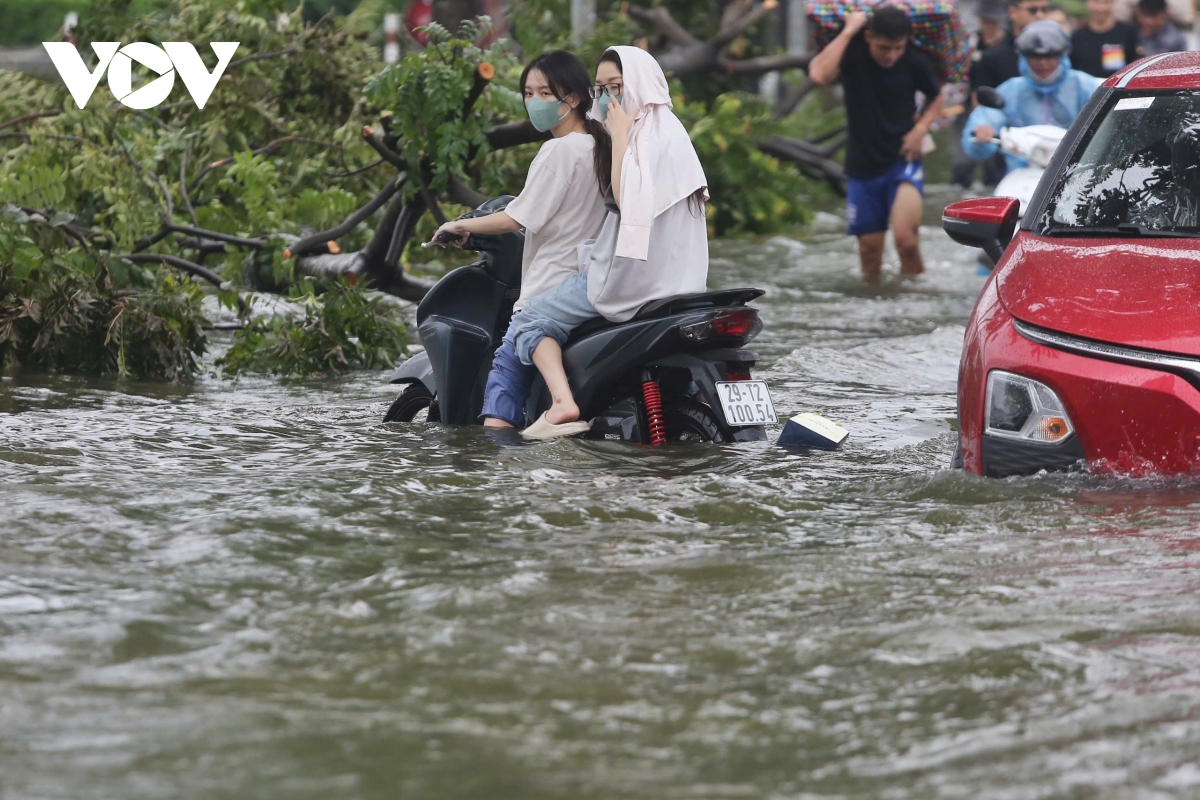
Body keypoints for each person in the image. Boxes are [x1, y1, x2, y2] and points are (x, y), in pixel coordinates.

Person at [495, 45, 710, 437]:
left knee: (529, 320)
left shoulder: (639, 135)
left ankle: (561, 403)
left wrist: (622, 135)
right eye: (602, 88)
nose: (609, 97)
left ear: (641, 87)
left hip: (628, 278)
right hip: (680, 283)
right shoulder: (674, 135)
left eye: (617, 86)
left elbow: (626, 201)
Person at [430, 50, 610, 430]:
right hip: (593, 280)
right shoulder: (602, 146)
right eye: (527, 93)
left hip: (550, 284)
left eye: (545, 93)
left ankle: (500, 468)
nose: (533, 102)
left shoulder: (559, 149)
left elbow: (516, 217)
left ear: (572, 99)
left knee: (504, 379)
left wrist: (462, 226)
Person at [808, 5, 943, 280]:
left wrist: (920, 129)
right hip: (862, 163)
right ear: (869, 37)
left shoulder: (914, 60)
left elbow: (936, 97)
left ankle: (913, 303)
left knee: (907, 241)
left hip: (902, 159)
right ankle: (872, 303)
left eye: (897, 47)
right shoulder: (851, 52)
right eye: (884, 47)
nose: (891, 55)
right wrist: (849, 30)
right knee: (869, 249)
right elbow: (820, 75)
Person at [963, 21, 1102, 170]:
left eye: (1049, 56)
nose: (1042, 63)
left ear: (1061, 56)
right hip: (1022, 173)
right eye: (1035, 57)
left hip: (1079, 171)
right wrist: (981, 134)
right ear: (1024, 58)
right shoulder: (1011, 90)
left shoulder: (1085, 86)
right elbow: (984, 120)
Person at [952, 0, 1010, 190]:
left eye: (993, 21)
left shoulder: (1007, 45)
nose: (990, 25)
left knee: (995, 160)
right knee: (963, 156)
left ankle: (992, 184)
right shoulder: (972, 44)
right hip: (972, 104)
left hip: (1002, 104)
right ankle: (961, 184)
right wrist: (979, 113)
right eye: (986, 21)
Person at [972, 0, 1054, 94]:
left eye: (1045, 10)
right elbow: (981, 103)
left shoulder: (1057, 53)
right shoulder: (992, 57)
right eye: (1033, 10)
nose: (1040, 15)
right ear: (1013, 12)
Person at [1071, 0, 1142, 77]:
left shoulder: (1128, 32)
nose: (1101, 8)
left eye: (1106, 2)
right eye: (1096, 2)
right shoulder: (1077, 36)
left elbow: (1136, 63)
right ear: (1087, 3)